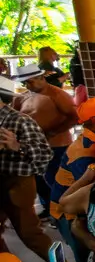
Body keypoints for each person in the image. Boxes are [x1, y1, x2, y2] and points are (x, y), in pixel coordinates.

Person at [0, 75, 55, 258]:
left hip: (18, 183)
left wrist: (17, 147)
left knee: (30, 234)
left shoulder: (19, 121)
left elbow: (44, 155)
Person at [12, 64, 76, 216]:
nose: (27, 85)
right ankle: (49, 209)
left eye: (30, 81)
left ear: (41, 78)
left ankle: (64, 210)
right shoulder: (25, 96)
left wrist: (52, 131)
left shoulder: (58, 94)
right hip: (34, 146)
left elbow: (74, 117)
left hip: (57, 145)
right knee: (40, 181)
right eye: (25, 83)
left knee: (57, 180)